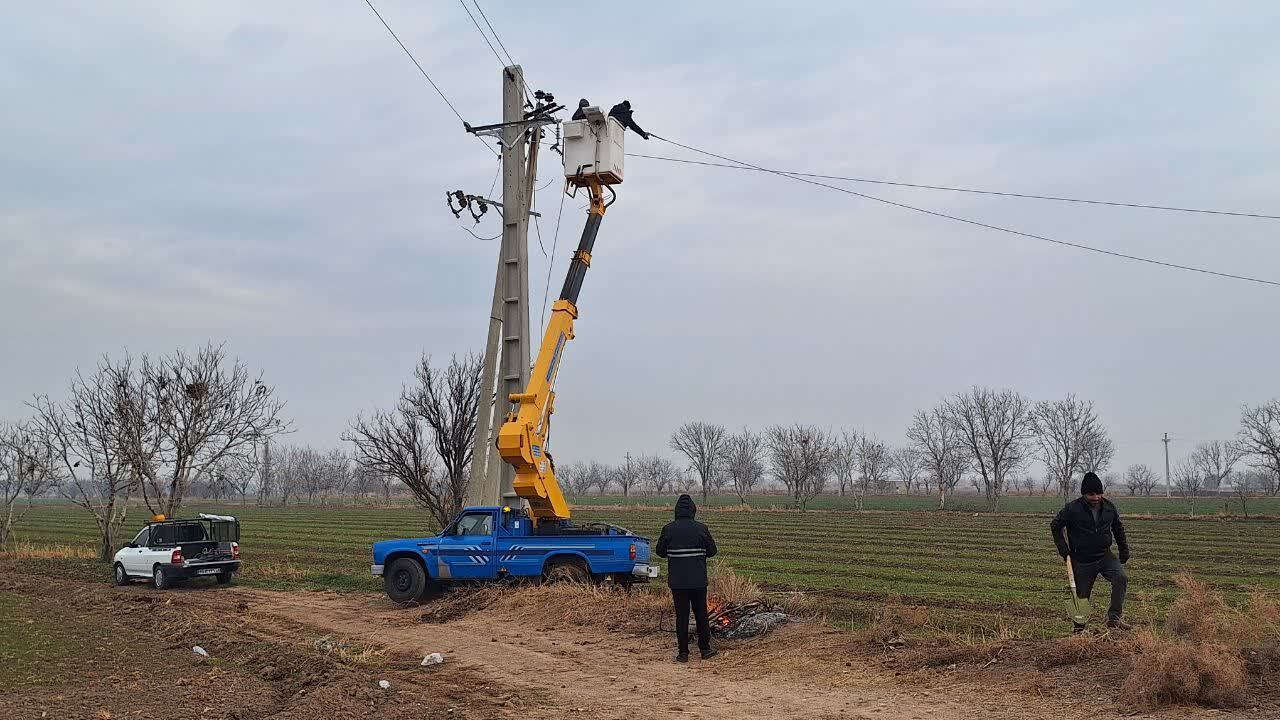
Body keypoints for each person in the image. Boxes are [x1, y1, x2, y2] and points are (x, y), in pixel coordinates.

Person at [1050, 472, 1132, 632]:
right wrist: (1064, 549)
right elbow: (1055, 526)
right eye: (1091, 494)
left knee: (1121, 578)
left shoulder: (1109, 507)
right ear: (1084, 494)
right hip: (1082, 559)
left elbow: (1118, 528)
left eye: (1099, 493)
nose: (1095, 497)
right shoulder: (1072, 509)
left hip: (1104, 555)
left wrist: (1124, 550)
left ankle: (1114, 618)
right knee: (1082, 595)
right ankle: (1079, 630)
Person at [656, 494, 718, 662]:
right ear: (693, 510)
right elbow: (713, 551)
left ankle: (683, 653)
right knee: (701, 614)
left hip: (678, 582)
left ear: (676, 510)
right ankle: (705, 649)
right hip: (698, 581)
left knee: (681, 616)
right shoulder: (701, 528)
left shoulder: (668, 529)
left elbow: (660, 552)